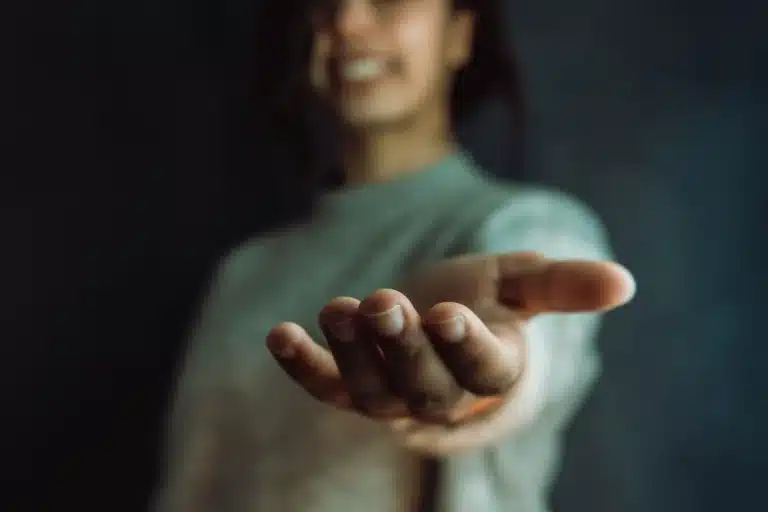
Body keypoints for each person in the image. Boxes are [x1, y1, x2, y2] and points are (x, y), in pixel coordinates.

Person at [153, 0, 636, 511]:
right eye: (324, 6)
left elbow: (531, 351)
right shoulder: (244, 272)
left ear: (459, 34)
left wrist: (486, 375)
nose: (345, 22)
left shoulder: (521, 224)